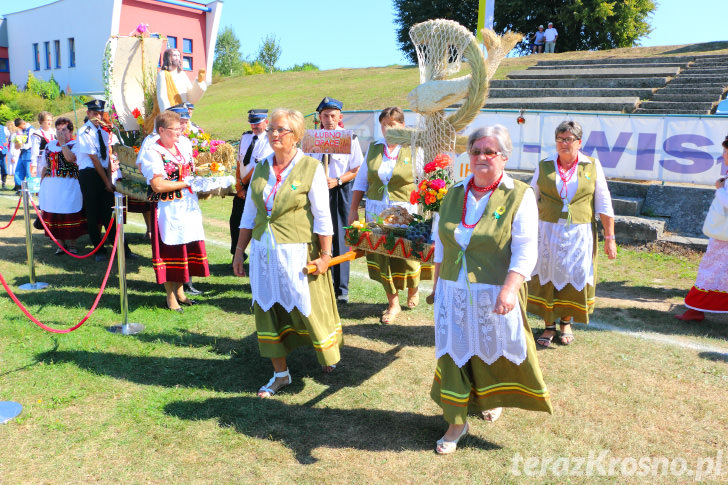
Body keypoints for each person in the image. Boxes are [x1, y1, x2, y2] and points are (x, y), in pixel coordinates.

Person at [428, 125, 552, 455]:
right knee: (454, 351)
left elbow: (526, 250)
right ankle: (457, 422)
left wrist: (510, 290)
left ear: (504, 157)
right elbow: (440, 244)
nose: (481, 157)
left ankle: (491, 398)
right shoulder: (454, 192)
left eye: (489, 152)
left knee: (491, 349)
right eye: (476, 151)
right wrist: (436, 283)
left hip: (495, 289)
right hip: (453, 290)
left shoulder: (520, 194)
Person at [232, 108, 342, 398]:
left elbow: (322, 216)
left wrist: (326, 255)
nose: (274, 135)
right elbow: (249, 213)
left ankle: (326, 352)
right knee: (267, 308)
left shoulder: (310, 168)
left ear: (296, 137)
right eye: (272, 130)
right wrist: (239, 250)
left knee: (307, 305)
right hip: (263, 251)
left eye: (281, 130)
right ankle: (280, 374)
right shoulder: (261, 167)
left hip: (298, 250)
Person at [528, 120, 617, 348]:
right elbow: (530, 196)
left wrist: (610, 237)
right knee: (546, 274)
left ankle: (566, 322)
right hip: (547, 231)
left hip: (580, 232)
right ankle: (548, 325)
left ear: (579, 142)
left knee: (572, 274)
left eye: (568, 139)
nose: (563, 143)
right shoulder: (545, 165)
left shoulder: (592, 166)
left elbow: (604, 203)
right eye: (559, 139)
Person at [348, 106, 429, 323]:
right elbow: (361, 181)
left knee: (409, 255)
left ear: (403, 126)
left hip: (405, 213)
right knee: (381, 255)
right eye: (384, 125)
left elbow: (424, 182)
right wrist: (354, 209)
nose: (387, 129)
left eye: (392, 124)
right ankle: (392, 303)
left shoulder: (414, 149)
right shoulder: (374, 148)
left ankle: (413, 287)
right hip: (376, 212)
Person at [137, 110, 210, 312]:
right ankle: (170, 297)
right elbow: (158, 185)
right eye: (175, 129)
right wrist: (184, 183)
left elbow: (188, 172)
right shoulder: (154, 152)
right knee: (170, 251)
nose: (179, 132)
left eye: (180, 128)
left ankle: (180, 292)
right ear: (161, 130)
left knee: (183, 248)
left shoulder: (181, 147)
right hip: (167, 208)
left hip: (186, 206)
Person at [309, 97, 364, 303]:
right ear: (320, 117)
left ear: (340, 117)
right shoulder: (313, 138)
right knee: (318, 234)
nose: (329, 120)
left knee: (340, 237)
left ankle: (341, 290)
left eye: (333, 116)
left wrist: (338, 180)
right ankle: (321, 282)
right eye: (325, 116)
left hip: (340, 190)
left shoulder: (350, 138)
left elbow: (357, 168)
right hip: (317, 190)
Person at [675, 136, 728, 321]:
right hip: (723, 236)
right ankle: (695, 310)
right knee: (714, 271)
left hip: (724, 237)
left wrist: (720, 189)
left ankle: (695, 310)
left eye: (726, 151)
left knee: (710, 270)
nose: (724, 155)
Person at [37, 117, 86, 254]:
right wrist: (41, 185)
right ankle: (60, 245)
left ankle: (72, 244)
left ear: (70, 131)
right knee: (55, 212)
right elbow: (45, 167)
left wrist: (63, 144)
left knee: (70, 211)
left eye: (64, 129)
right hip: (52, 185)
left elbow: (71, 158)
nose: (60, 133)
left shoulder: (76, 145)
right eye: (58, 130)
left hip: (70, 184)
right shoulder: (49, 146)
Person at [229, 108, 273, 261]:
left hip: (257, 183)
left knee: (255, 221)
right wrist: (238, 185)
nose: (254, 127)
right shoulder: (246, 137)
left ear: (266, 122)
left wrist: (243, 183)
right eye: (252, 123)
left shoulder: (269, 139)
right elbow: (239, 161)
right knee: (235, 220)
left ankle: (258, 257)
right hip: (242, 184)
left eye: (257, 123)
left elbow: (258, 166)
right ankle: (237, 255)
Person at [30, 111, 56, 178]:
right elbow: (34, 151)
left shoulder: (54, 132)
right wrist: (34, 166)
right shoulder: (37, 134)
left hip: (55, 160)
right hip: (42, 161)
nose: (49, 122)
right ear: (41, 121)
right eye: (47, 120)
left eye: (50, 120)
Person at [12, 118, 33, 192]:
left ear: (24, 123)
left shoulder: (31, 130)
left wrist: (21, 145)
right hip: (22, 153)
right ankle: (18, 187)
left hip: (28, 153)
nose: (20, 129)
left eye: (20, 127)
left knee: (28, 172)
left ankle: (30, 189)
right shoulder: (23, 130)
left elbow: (30, 144)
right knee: (18, 170)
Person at [0, 121, 9, 189]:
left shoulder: (4, 128)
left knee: (3, 167)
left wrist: (6, 143)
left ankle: (3, 183)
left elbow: (10, 135)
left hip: (2, 151)